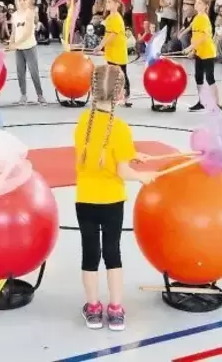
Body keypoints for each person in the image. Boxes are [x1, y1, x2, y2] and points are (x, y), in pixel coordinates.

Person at [73, 64, 156, 331]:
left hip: (85, 200)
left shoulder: (83, 122)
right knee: (112, 253)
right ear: (120, 95)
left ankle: (93, 307)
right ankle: (116, 310)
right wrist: (141, 176)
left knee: (90, 254)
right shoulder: (120, 128)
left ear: (91, 90)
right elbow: (120, 169)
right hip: (112, 201)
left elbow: (102, 151)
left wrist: (132, 154)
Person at [9, 0, 46, 106]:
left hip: (29, 47)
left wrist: (16, 43)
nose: (22, 2)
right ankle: (23, 95)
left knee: (33, 72)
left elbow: (27, 32)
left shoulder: (30, 13)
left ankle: (40, 95)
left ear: (28, 0)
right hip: (19, 49)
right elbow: (14, 32)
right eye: (19, 0)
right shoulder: (14, 15)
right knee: (20, 73)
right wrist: (11, 42)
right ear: (16, 1)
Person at [95, 0, 131, 107]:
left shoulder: (117, 18)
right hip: (111, 52)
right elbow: (107, 34)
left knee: (122, 74)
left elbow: (112, 35)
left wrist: (101, 46)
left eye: (110, 2)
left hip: (118, 52)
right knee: (112, 75)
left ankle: (125, 96)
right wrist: (101, 46)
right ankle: (115, 95)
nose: (107, 4)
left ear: (117, 4)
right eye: (107, 2)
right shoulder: (109, 18)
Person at [184, 0, 218, 111]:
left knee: (210, 78)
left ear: (205, 6)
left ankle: (217, 103)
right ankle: (201, 101)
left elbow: (203, 37)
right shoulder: (196, 18)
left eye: (199, 3)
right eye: (196, 2)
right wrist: (193, 50)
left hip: (207, 52)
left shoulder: (204, 18)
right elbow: (195, 36)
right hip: (199, 52)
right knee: (198, 77)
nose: (196, 4)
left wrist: (190, 47)